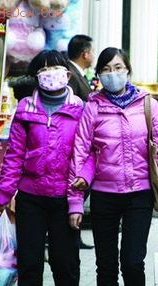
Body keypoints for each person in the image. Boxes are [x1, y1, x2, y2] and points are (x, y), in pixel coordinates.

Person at [67, 47, 158, 286]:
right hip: (104, 196)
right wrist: (74, 202)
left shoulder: (147, 103)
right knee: (105, 265)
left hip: (139, 195)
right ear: (99, 74)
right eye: (106, 69)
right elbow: (80, 153)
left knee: (132, 262)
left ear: (127, 70)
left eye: (118, 68)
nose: (113, 74)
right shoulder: (92, 107)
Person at [0, 50, 85, 286]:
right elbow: (14, 155)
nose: (50, 74)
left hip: (65, 199)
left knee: (65, 265)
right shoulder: (25, 108)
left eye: (54, 68)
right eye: (43, 70)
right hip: (31, 198)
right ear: (36, 77)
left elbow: (86, 154)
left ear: (67, 74)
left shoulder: (80, 109)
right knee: (30, 265)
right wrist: (3, 195)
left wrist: (79, 193)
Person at [67, 34, 95, 250]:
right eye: (92, 51)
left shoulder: (82, 75)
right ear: (85, 53)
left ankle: (76, 237)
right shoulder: (71, 76)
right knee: (77, 187)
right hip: (76, 142)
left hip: (83, 143)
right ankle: (72, 236)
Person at [67, 34, 94, 102]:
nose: (94, 56)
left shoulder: (77, 72)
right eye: (92, 51)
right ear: (85, 54)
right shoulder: (70, 74)